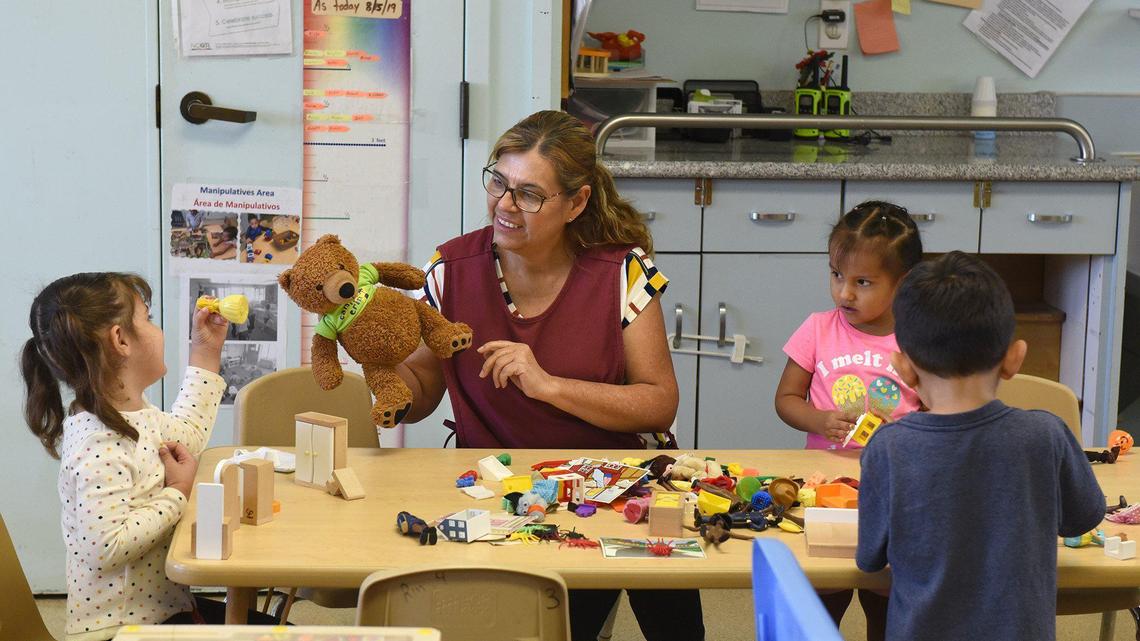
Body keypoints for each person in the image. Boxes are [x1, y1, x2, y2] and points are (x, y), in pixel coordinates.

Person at [396, 110, 701, 641]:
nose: (506, 206)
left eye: (530, 194)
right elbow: (421, 392)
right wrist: (381, 371)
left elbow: (659, 403)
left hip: (618, 482)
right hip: (501, 492)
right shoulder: (449, 269)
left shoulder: (622, 272)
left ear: (577, 202)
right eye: (499, 183)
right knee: (549, 625)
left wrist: (550, 386)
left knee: (675, 622)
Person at [857, 251, 1105, 641]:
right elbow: (1084, 517)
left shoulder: (889, 448)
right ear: (1014, 358)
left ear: (902, 368)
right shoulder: (1046, 435)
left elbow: (870, 557)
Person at [20, 273, 273, 639]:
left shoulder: (133, 415)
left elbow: (189, 434)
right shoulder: (99, 443)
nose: (156, 328)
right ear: (121, 340)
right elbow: (105, 547)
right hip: (120, 629)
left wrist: (206, 351)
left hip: (160, 610)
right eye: (148, 318)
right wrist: (177, 493)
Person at [773, 201, 924, 637]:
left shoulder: (917, 339)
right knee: (821, 607)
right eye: (837, 275)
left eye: (863, 282)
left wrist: (909, 435)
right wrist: (819, 421)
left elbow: (938, 413)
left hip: (896, 493)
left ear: (903, 283)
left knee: (888, 611)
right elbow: (785, 399)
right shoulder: (818, 328)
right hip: (825, 493)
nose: (845, 293)